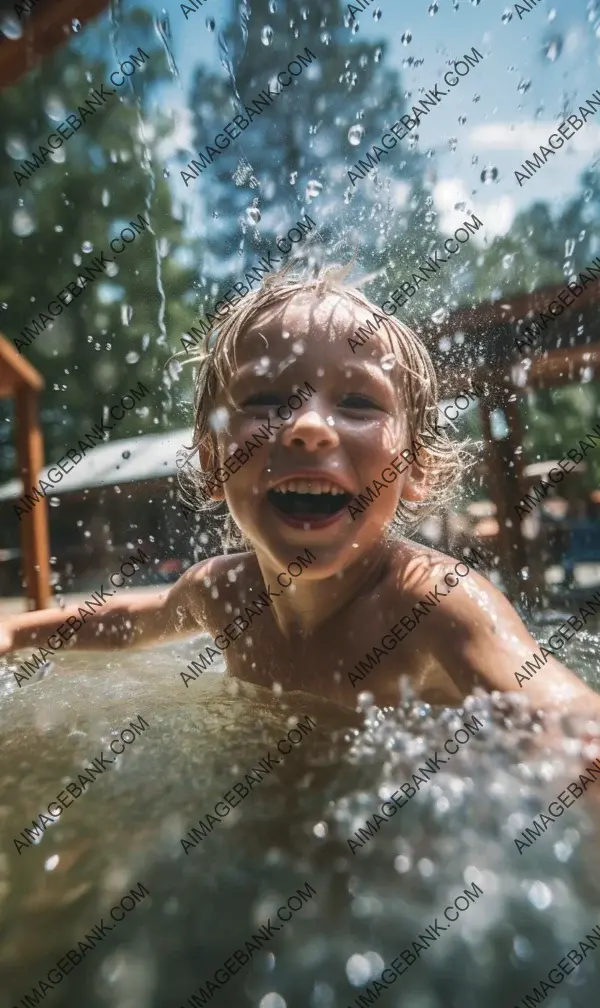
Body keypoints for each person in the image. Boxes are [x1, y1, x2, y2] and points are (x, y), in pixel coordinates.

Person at [2, 267, 599, 720]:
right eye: (263, 400)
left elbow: (563, 723)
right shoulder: (222, 593)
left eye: (359, 402)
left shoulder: (436, 604)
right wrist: (17, 633)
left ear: (414, 466)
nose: (306, 426)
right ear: (213, 462)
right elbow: (131, 622)